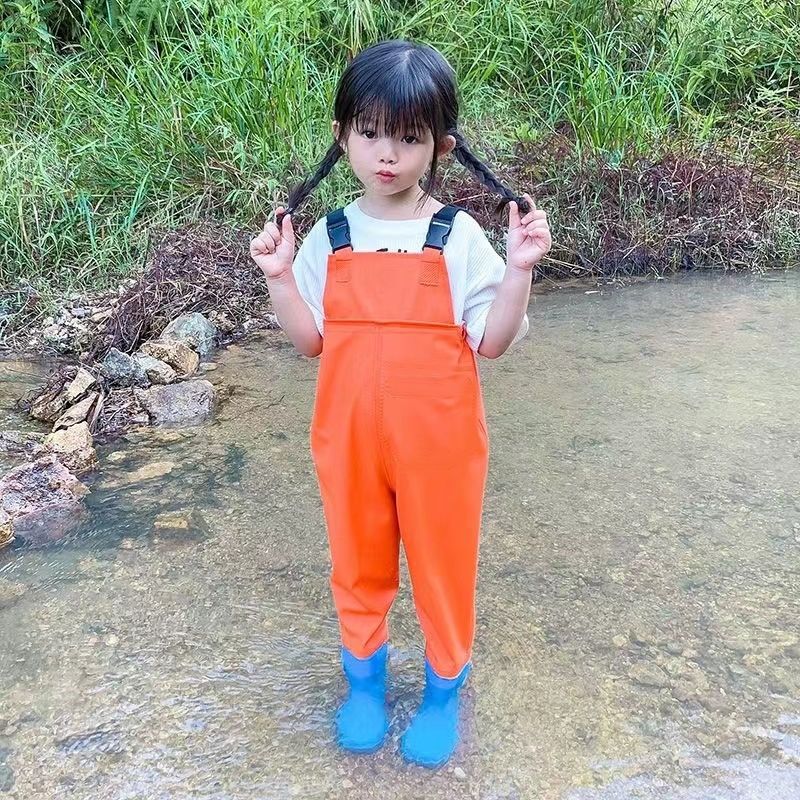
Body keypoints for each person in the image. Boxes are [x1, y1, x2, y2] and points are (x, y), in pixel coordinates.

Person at [249, 39, 552, 768]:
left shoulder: (458, 235)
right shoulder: (330, 235)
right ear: (342, 135)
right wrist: (281, 277)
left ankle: (443, 692)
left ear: (441, 145)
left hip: (441, 448)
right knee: (357, 565)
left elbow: (493, 342)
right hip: (348, 440)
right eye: (371, 132)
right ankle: (365, 686)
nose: (387, 153)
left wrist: (518, 271)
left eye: (410, 138)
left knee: (442, 568)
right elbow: (310, 341)